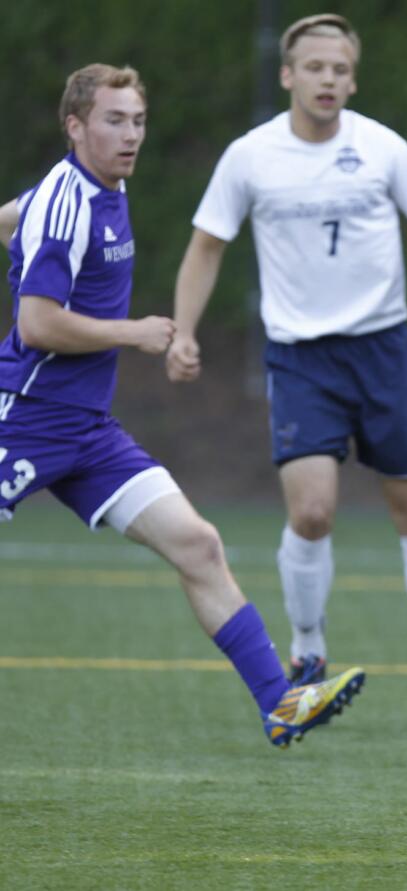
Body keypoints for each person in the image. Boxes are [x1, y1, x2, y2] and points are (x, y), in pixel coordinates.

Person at [0, 63, 365, 748]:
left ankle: (279, 704)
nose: (130, 134)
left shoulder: (94, 185)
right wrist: (133, 333)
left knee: (198, 544)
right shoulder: (68, 203)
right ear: (75, 126)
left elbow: (18, 219)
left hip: (85, 430)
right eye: (114, 120)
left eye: (137, 120)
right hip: (23, 415)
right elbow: (36, 326)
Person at [167, 14, 407, 732]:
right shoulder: (251, 156)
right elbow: (206, 246)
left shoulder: (381, 147)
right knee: (311, 511)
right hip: (301, 358)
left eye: (339, 69)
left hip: (383, 349)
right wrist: (182, 331)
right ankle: (306, 656)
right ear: (288, 75)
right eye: (314, 68)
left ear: (352, 79)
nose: (327, 79)